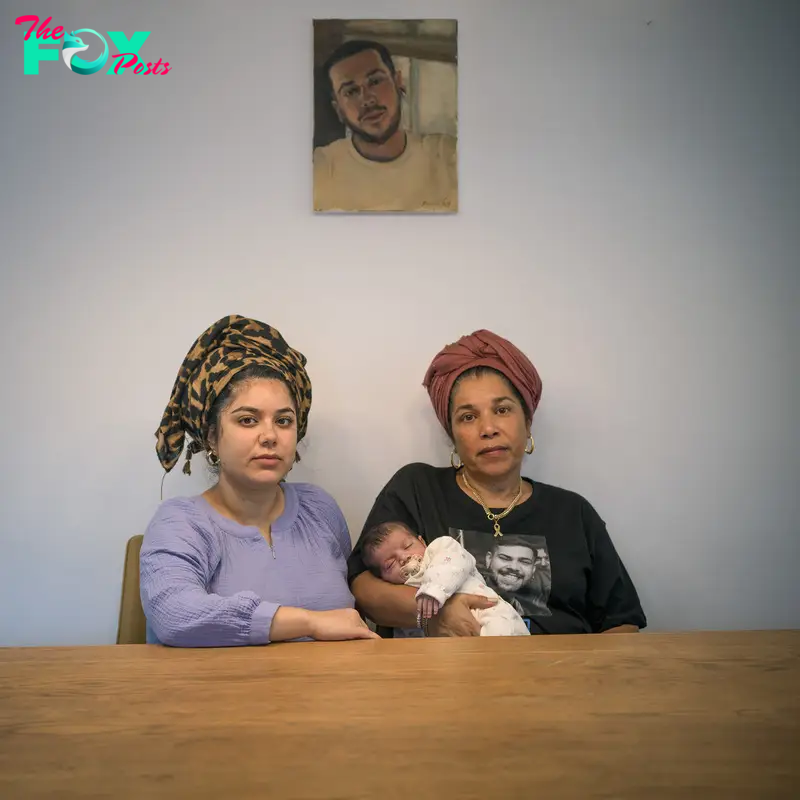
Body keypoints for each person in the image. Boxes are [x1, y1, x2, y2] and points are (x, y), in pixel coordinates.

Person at [347, 329, 647, 637]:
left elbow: (621, 623)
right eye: (467, 417)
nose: (488, 428)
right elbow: (362, 587)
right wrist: (435, 615)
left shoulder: (573, 512)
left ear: (527, 421)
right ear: (451, 435)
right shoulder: (416, 489)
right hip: (443, 679)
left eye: (502, 410)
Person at [140, 315, 378, 647]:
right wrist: (310, 622)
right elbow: (174, 614)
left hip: (327, 693)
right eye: (248, 420)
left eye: (283, 420)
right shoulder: (180, 522)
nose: (269, 436)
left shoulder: (320, 509)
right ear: (211, 436)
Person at [313, 39, 457, 212]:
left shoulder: (447, 156)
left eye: (375, 81)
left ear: (398, 82)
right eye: (351, 91)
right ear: (338, 110)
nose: (367, 99)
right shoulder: (320, 169)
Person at [360, 521, 530, 637]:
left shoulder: (439, 549)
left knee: (500, 642)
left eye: (408, 546)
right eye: (390, 564)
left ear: (422, 542)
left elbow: (454, 562)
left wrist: (433, 590)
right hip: (453, 646)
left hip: (488, 612)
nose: (403, 558)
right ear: (382, 578)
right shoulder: (399, 592)